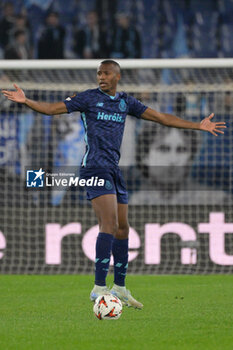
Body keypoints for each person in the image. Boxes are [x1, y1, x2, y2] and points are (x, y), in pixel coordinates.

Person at [1, 59, 226, 309]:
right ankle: (98, 287)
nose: (101, 77)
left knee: (123, 229)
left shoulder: (125, 102)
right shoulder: (87, 98)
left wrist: (198, 125)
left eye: (106, 73)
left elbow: (161, 118)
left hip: (114, 170)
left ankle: (119, 287)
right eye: (99, 73)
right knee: (108, 224)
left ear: (117, 76)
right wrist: (27, 101)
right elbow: (52, 109)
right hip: (95, 168)